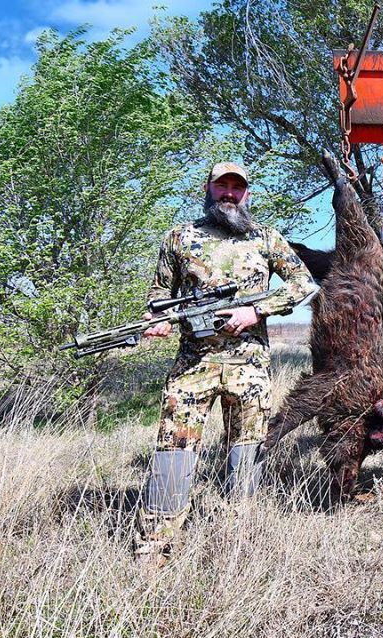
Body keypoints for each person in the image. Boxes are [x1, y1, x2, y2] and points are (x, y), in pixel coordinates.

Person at [134, 162, 318, 563]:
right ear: (209, 188)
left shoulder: (265, 238)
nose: (230, 194)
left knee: (246, 452)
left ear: (247, 193)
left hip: (249, 368)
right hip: (192, 367)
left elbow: (303, 284)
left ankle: (239, 539)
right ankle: (156, 548)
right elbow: (159, 294)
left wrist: (257, 312)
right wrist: (156, 321)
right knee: (173, 450)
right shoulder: (180, 237)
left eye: (238, 187)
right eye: (223, 186)